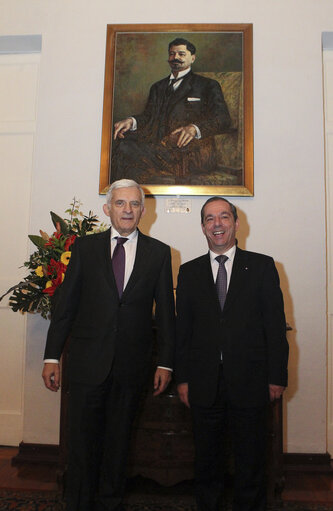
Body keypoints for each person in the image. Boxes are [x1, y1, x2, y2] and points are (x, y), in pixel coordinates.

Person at [42, 179, 175, 511]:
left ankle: (110, 503)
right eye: (120, 203)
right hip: (87, 364)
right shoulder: (85, 248)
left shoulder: (159, 253)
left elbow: (167, 314)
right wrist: (51, 356)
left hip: (132, 366)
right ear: (107, 209)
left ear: (144, 211)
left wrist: (166, 362)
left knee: (119, 446)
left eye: (133, 204)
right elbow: (66, 306)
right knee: (82, 445)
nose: (127, 210)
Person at [175, 196, 289, 511]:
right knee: (207, 463)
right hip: (203, 383)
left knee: (251, 463)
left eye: (224, 217)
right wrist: (182, 378)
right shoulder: (188, 272)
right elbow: (182, 332)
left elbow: (275, 329)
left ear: (236, 223)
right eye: (210, 219)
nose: (217, 224)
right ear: (202, 227)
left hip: (251, 382)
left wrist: (277, 377)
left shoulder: (263, 267)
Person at [111, 38, 232, 184]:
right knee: (123, 143)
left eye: (181, 54)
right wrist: (132, 121)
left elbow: (223, 118)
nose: (175, 58)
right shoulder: (158, 87)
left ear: (192, 58)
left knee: (128, 150)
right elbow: (149, 117)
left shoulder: (207, 85)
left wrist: (195, 129)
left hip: (193, 152)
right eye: (172, 54)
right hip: (160, 149)